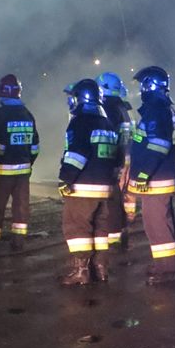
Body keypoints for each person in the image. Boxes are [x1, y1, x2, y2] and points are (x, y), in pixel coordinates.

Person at [57, 78, 119, 285]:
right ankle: (100, 268)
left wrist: (65, 179)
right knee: (100, 228)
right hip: (104, 186)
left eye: (72, 97)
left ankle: (81, 270)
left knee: (76, 226)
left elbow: (77, 153)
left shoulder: (80, 121)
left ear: (81, 99)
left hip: (82, 186)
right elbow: (116, 157)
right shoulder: (107, 123)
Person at [127, 66, 175, 285]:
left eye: (143, 84)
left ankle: (165, 269)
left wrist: (142, 173)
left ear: (150, 84)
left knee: (156, 223)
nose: (141, 89)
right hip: (159, 176)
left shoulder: (157, 108)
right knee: (161, 222)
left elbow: (158, 145)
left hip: (155, 179)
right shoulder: (160, 107)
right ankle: (165, 264)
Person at [0, 74, 40, 253]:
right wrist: (28, 163)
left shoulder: (1, 114)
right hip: (23, 172)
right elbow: (35, 146)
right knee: (21, 207)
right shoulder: (27, 114)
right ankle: (18, 242)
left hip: (4, 170)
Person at [97, 72, 134, 248]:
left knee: (112, 199)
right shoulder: (123, 109)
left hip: (114, 157)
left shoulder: (109, 109)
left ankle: (114, 237)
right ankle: (121, 232)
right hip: (126, 156)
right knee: (119, 198)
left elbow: (108, 136)